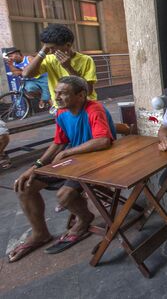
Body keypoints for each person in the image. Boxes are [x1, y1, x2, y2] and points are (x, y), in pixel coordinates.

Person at [8, 76, 117, 263]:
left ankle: (84, 219)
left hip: (96, 161)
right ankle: (40, 233)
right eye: (56, 93)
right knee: (25, 186)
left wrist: (68, 153)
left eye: (63, 93)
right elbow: (59, 143)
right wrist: (36, 167)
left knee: (64, 195)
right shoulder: (61, 113)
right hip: (72, 161)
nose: (57, 97)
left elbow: (103, 141)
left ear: (81, 95)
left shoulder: (94, 109)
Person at [21, 24, 98, 106]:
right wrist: (43, 51)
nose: (50, 51)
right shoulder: (49, 59)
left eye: (53, 48)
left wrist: (68, 67)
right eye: (48, 48)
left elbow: (88, 91)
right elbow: (26, 74)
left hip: (84, 106)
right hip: (61, 107)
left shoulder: (86, 60)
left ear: (68, 45)